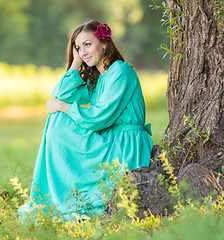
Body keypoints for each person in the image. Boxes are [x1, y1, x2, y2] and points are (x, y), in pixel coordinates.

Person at [18, 20, 153, 220]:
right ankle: (55, 196)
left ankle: (62, 198)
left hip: (126, 144)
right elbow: (61, 94)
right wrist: (75, 63)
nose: (83, 52)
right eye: (78, 48)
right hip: (111, 139)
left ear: (104, 43)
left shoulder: (120, 71)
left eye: (88, 44)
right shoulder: (99, 79)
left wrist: (62, 107)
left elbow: (98, 118)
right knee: (56, 119)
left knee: (59, 115)